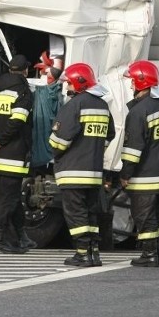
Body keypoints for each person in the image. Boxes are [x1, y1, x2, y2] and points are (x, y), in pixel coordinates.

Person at [49, 63, 114, 267]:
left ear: (78, 83)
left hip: (73, 172)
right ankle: (93, 252)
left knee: (76, 214)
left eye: (68, 82)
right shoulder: (102, 105)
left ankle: (82, 254)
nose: (66, 86)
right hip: (94, 172)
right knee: (90, 213)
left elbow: (58, 142)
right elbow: (109, 134)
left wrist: (53, 148)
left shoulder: (74, 105)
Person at [120, 60, 159, 267]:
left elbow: (133, 149)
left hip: (146, 176)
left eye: (132, 81)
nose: (130, 85)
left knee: (144, 216)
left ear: (140, 82)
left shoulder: (138, 112)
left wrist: (125, 174)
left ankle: (149, 254)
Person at [0, 54, 35, 254]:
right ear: (25, 71)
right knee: (8, 200)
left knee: (10, 197)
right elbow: (17, 121)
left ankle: (21, 237)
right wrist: (1, 140)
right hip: (14, 155)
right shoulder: (23, 93)